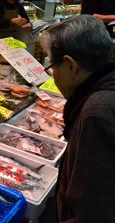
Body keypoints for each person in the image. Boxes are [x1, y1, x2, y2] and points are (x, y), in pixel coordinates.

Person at [40, 15, 115, 222]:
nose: (53, 75)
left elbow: (94, 215)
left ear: (70, 66)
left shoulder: (96, 114)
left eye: (52, 68)